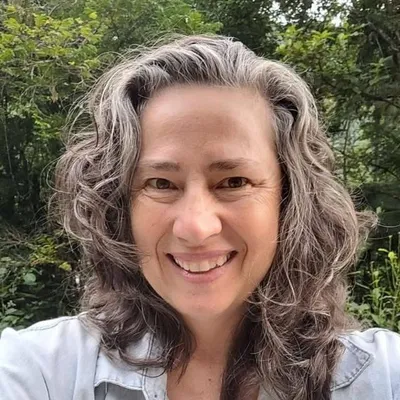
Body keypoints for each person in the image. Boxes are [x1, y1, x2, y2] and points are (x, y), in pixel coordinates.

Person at [0, 34, 399, 400]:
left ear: (289, 198)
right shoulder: (41, 372)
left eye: (234, 181)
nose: (195, 227)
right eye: (160, 183)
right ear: (119, 205)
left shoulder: (382, 378)